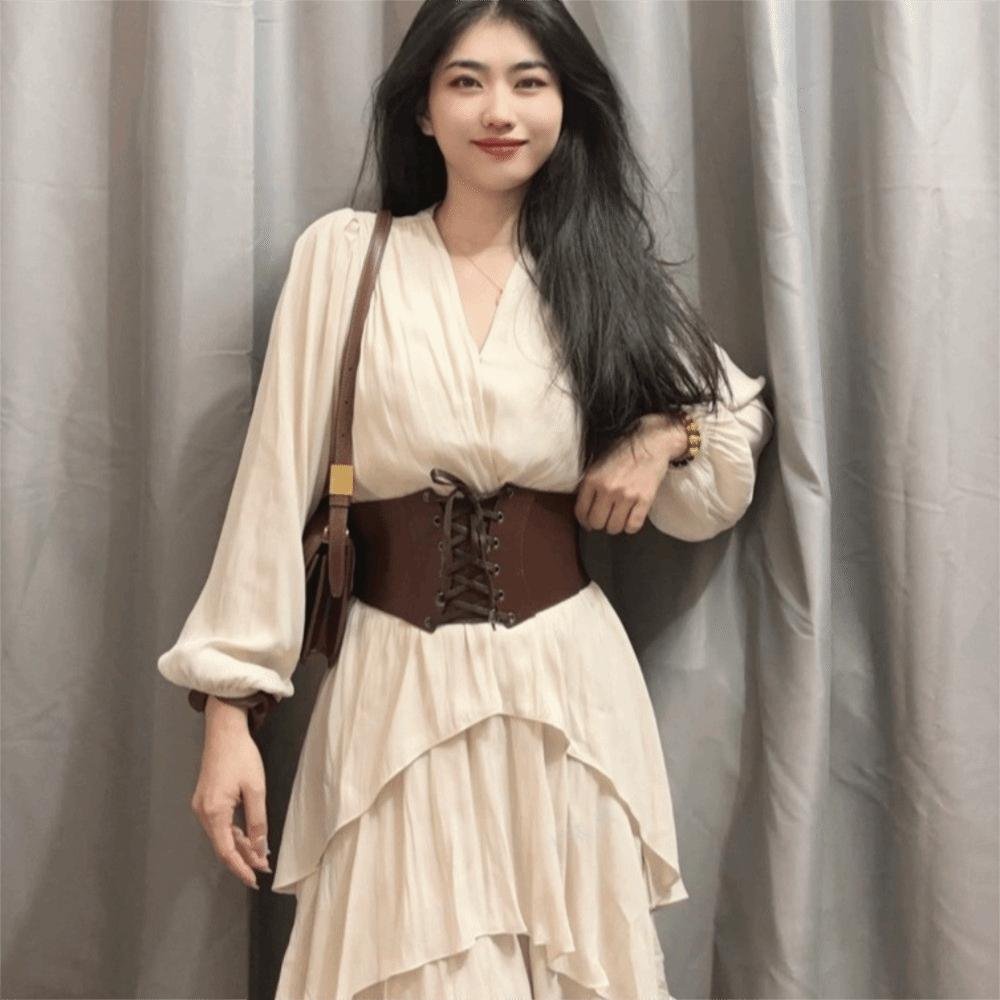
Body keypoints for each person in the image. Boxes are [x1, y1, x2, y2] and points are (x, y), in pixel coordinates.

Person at [157, 1, 775, 997]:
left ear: (565, 105)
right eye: (466, 81)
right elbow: (271, 490)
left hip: (565, 702)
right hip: (394, 697)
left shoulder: (602, 273)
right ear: (421, 109)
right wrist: (229, 714)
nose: (500, 110)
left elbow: (732, 434)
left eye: (530, 81)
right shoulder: (345, 258)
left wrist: (667, 437)